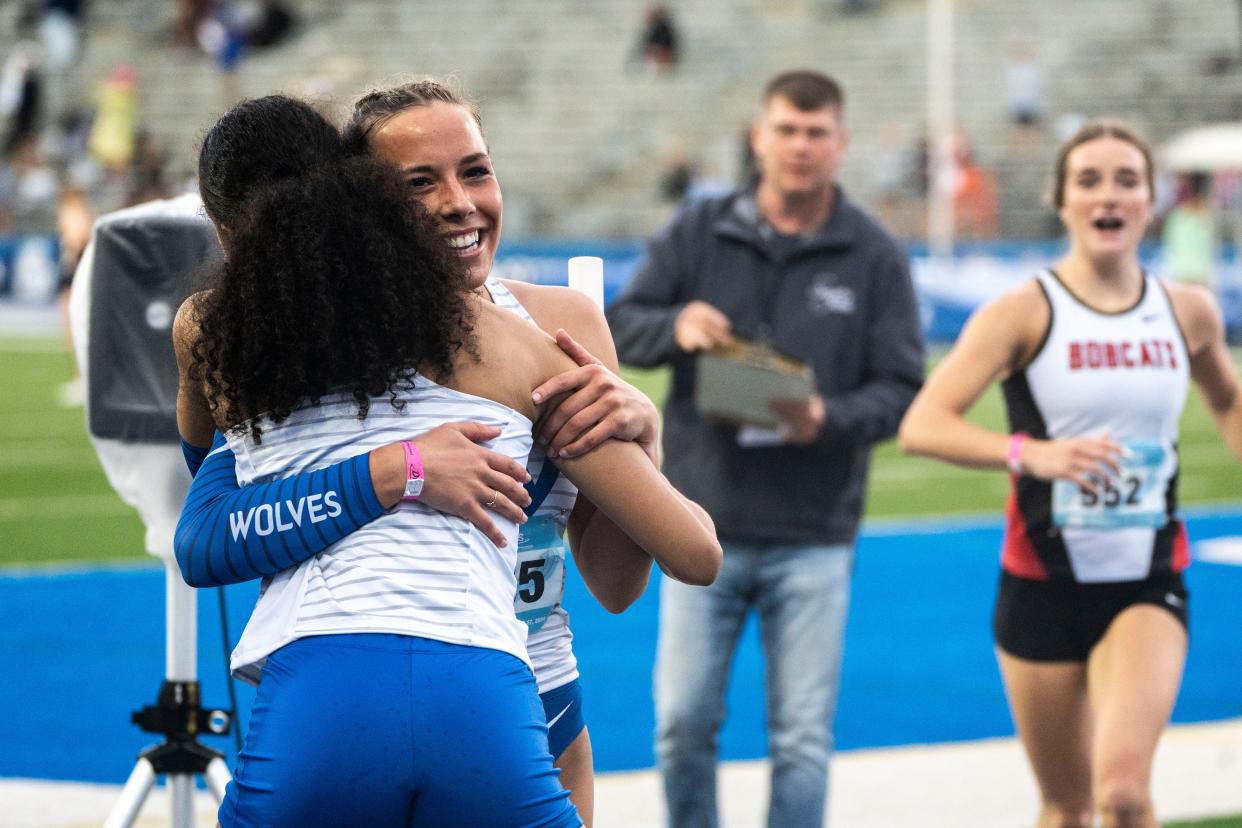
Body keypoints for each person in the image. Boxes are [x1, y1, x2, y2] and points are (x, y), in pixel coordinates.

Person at [178, 95, 722, 827]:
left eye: (476, 172)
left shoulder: (561, 327)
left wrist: (643, 435)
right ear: (355, 199)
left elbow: (619, 588)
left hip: (536, 691)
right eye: (419, 183)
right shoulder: (295, 344)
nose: (460, 204)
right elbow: (214, 521)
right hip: (478, 692)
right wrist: (399, 470)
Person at [898, 120, 1242, 827]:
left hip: (1146, 579)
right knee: (1066, 805)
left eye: (1127, 180)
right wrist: (1031, 453)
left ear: (1153, 200)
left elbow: (1229, 400)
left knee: (1121, 794)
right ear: (1063, 201)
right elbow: (922, 425)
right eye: (1088, 180)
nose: (1107, 195)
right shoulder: (1022, 312)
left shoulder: (1188, 311)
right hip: (1040, 584)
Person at [607, 69, 925, 828]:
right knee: (682, 724)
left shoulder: (875, 254)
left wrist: (830, 416)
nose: (801, 146)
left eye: (817, 133)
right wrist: (676, 326)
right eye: (787, 129)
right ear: (759, 137)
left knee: (802, 739)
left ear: (840, 145)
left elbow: (903, 388)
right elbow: (619, 324)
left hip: (813, 531)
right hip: (697, 522)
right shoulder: (700, 228)